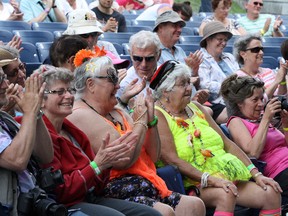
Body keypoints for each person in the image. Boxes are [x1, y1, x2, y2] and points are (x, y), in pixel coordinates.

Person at [66, 54, 206, 216]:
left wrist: (151, 121)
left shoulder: (116, 111)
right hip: (114, 188)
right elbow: (125, 160)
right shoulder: (81, 113)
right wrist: (141, 121)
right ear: (91, 84)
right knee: (165, 212)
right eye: (112, 78)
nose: (118, 86)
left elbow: (153, 156)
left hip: (145, 182)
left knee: (194, 205)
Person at [150, 60, 282, 215]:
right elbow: (171, 159)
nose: (189, 88)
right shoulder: (158, 113)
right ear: (166, 90)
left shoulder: (196, 107)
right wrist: (212, 180)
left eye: (188, 83)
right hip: (192, 181)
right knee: (226, 194)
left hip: (225, 175)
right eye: (183, 84)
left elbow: (228, 144)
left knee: (271, 193)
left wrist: (257, 174)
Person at [36, 66, 163, 216]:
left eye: (70, 90)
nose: (69, 96)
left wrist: (105, 164)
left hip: (90, 196)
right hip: (63, 205)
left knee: (151, 214)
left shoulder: (71, 130)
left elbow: (98, 183)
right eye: (60, 92)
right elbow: (62, 192)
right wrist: (98, 165)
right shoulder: (41, 134)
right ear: (41, 100)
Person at [0, 47, 54, 215]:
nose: (5, 85)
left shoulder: (4, 119)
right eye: (0, 80)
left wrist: (35, 113)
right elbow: (17, 160)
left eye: (3, 78)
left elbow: (45, 156)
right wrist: (29, 112)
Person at [221, 74, 288, 204]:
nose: (261, 104)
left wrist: (286, 125)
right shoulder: (236, 122)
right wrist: (266, 119)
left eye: (261, 99)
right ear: (239, 103)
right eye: (255, 100)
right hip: (278, 172)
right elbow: (253, 152)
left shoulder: (261, 120)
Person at [198, 21, 239, 124]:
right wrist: (230, 87)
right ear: (208, 39)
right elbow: (205, 85)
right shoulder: (200, 58)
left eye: (225, 40)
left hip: (238, 98)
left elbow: (240, 76)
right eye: (220, 39)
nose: (224, 43)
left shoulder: (229, 57)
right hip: (215, 103)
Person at [233, 34, 287, 100]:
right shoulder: (238, 77)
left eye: (262, 49)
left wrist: (282, 79)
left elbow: (281, 96)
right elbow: (258, 102)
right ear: (243, 54)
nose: (261, 53)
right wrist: (276, 81)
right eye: (256, 50)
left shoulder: (268, 71)